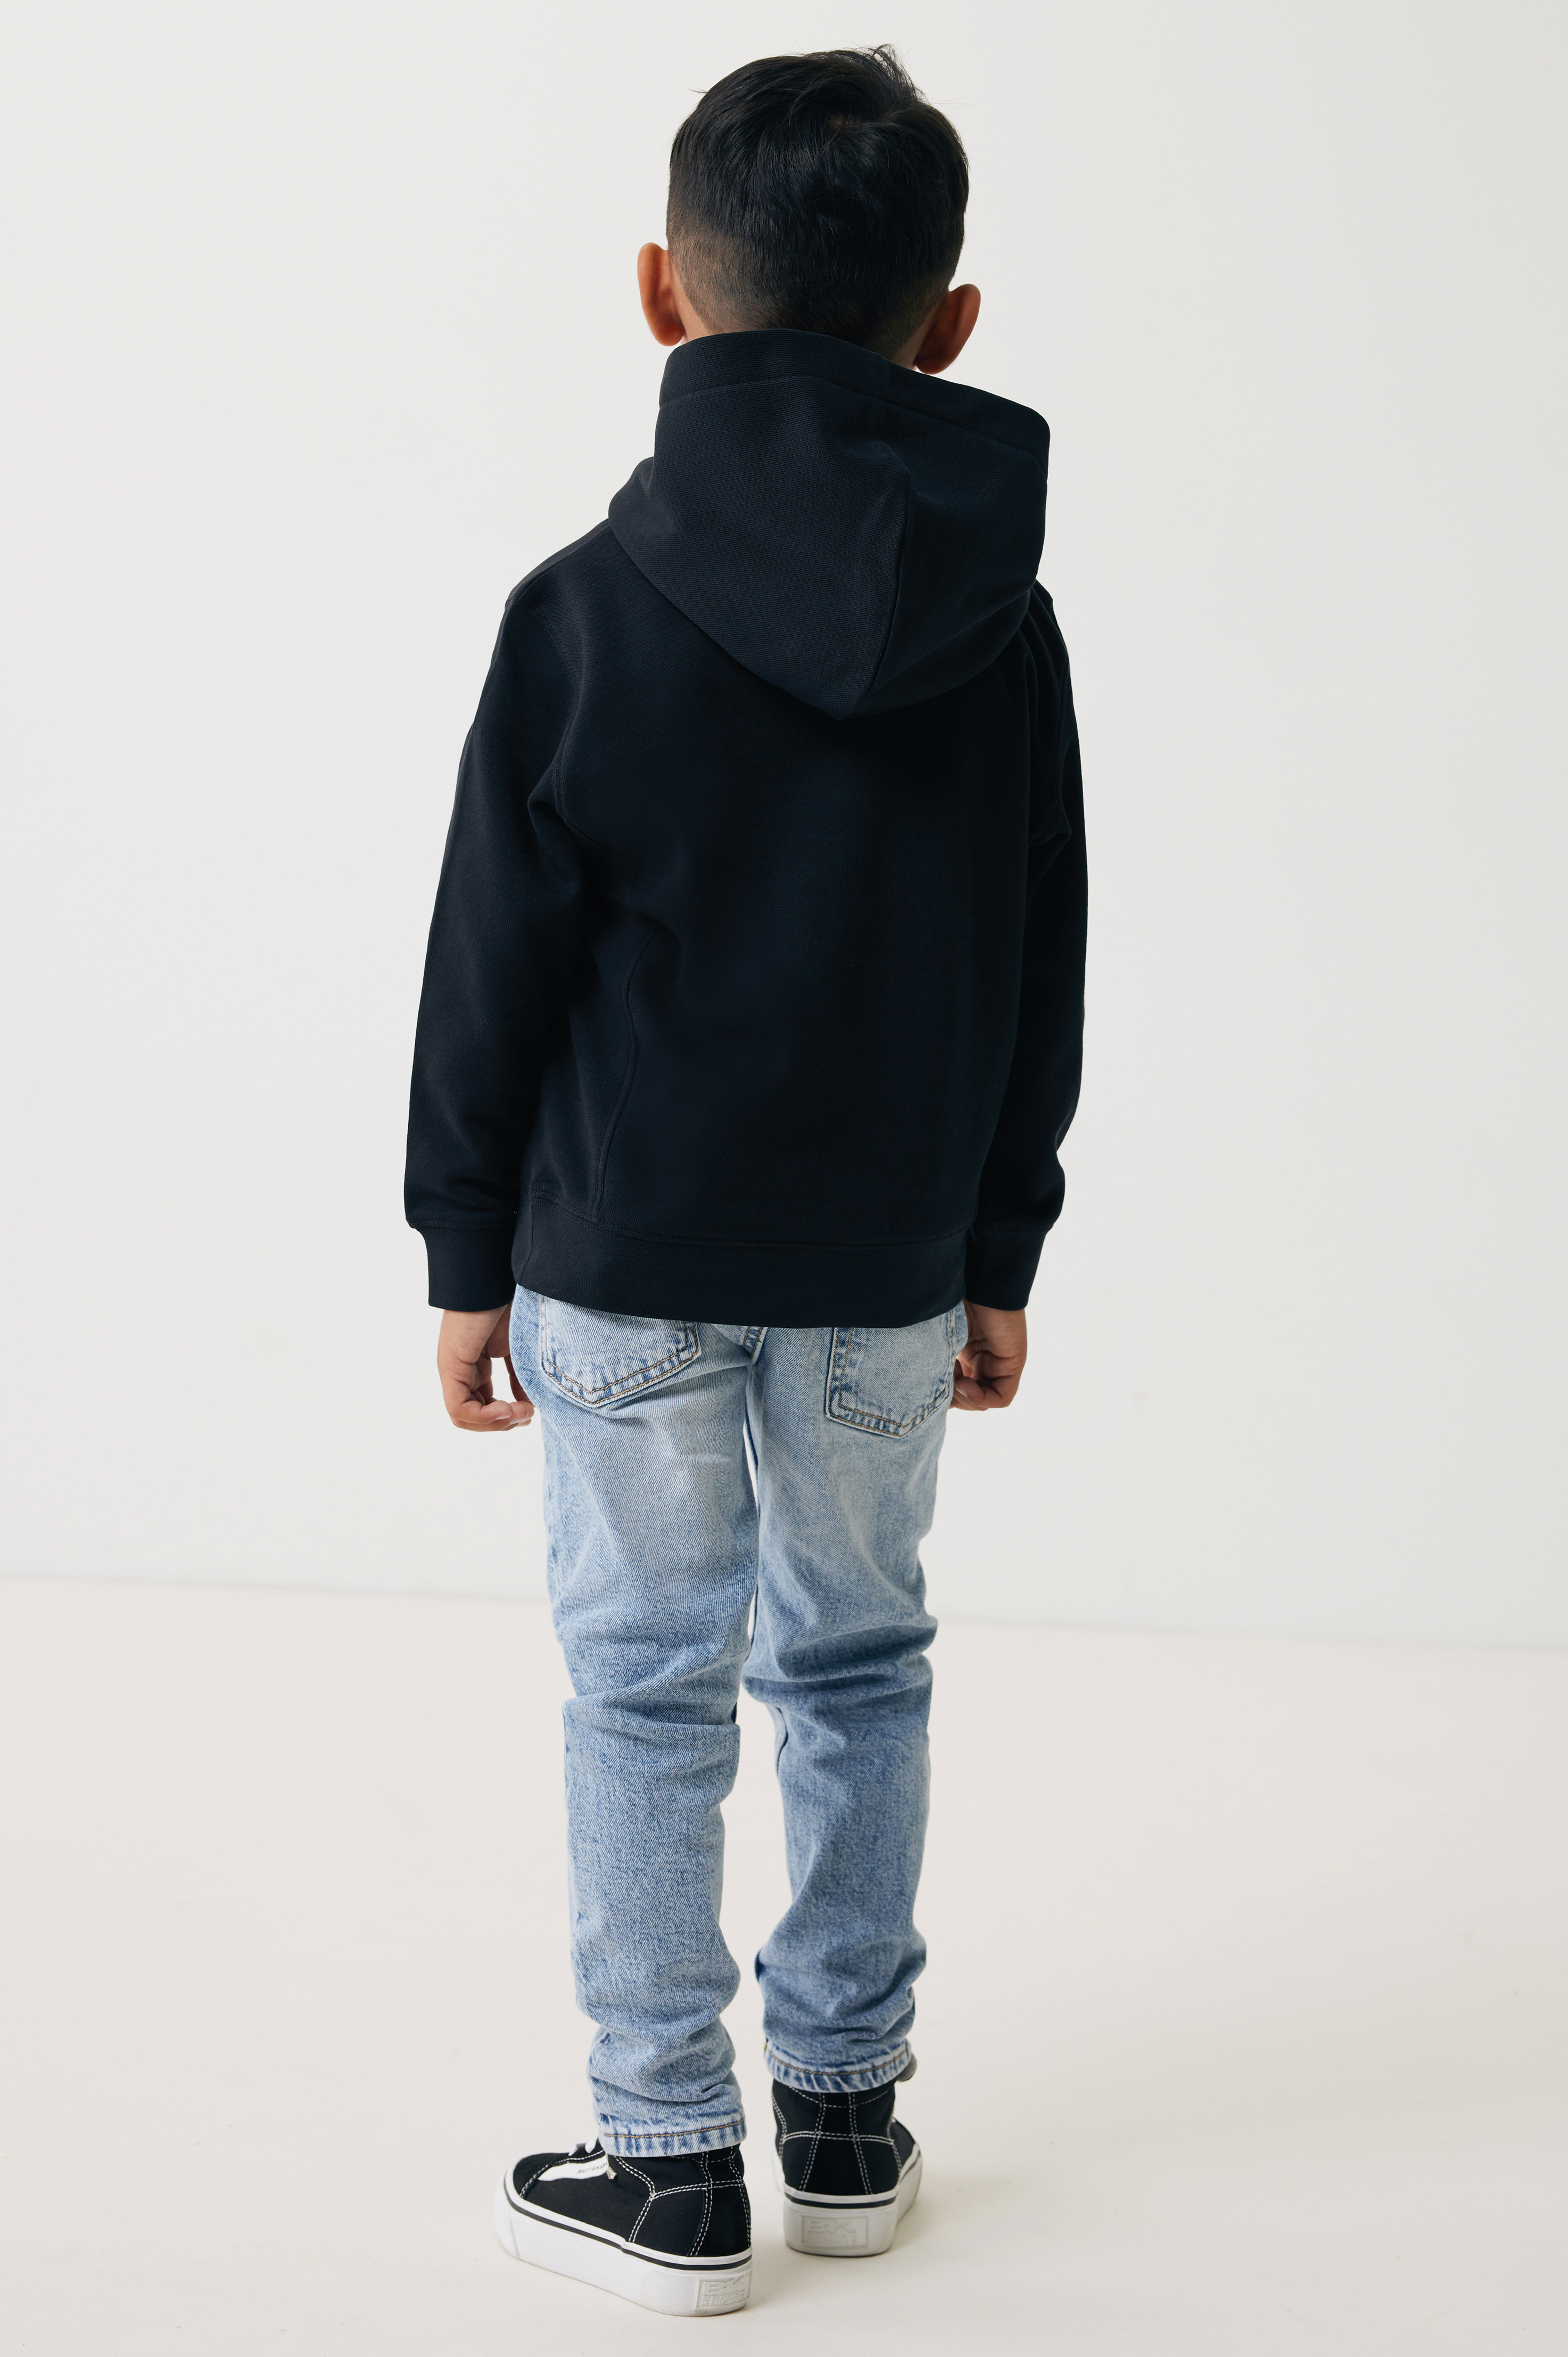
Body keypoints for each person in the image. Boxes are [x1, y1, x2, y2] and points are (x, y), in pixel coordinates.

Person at [405, 44, 1086, 2319]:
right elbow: (1040, 950)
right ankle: (849, 2125)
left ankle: (668, 2157)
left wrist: (465, 1244)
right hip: (886, 1264)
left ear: (659, 293)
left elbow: (490, 960)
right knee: (861, 1666)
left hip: (623, 1258)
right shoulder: (1004, 627)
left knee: (644, 1690)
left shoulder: (582, 608)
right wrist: (998, 1244)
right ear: (947, 327)